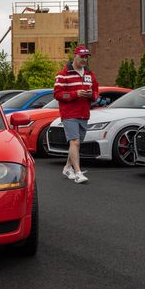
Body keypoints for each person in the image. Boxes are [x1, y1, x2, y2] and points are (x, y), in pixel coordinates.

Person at [54, 44, 99, 184]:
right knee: (75, 142)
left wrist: (92, 95)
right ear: (75, 56)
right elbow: (57, 94)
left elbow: (96, 93)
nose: (84, 60)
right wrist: (75, 94)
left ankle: (68, 168)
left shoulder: (90, 74)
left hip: (84, 113)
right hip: (69, 114)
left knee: (76, 144)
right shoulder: (63, 74)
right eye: (82, 57)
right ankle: (78, 173)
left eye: (86, 57)